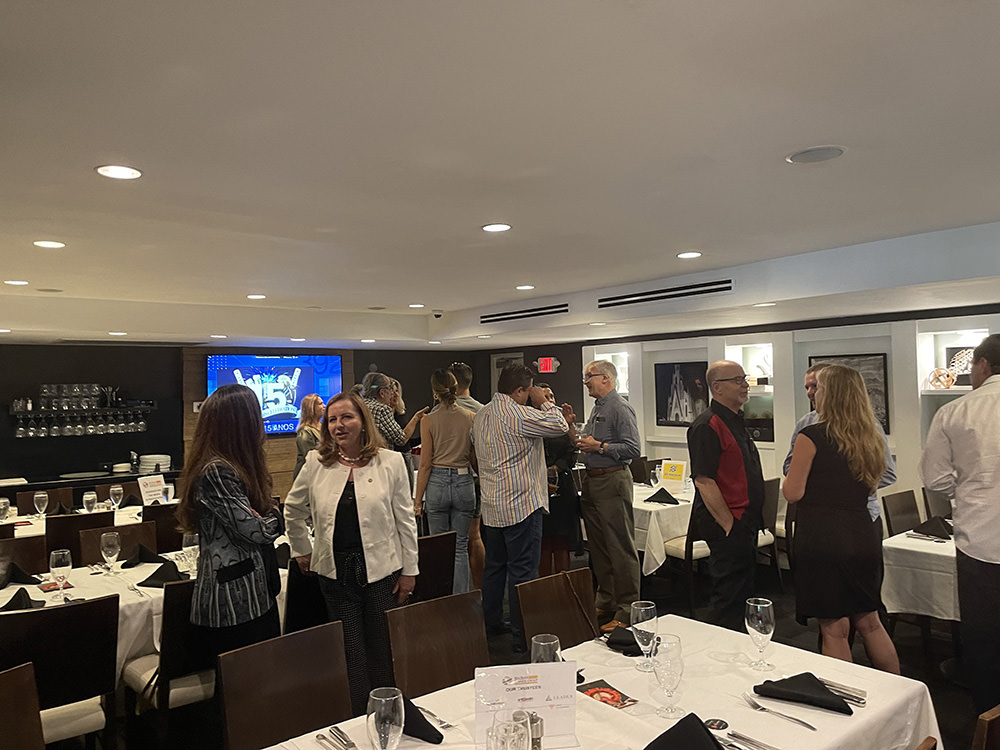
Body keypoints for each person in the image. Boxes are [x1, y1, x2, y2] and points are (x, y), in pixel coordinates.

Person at [284, 391, 419, 715]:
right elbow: (293, 509)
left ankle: (389, 715)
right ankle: (359, 718)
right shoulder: (316, 462)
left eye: (347, 417)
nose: (338, 425)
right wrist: (302, 550)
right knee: (351, 653)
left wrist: (410, 570)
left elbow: (405, 519)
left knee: (382, 649)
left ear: (363, 422)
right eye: (332, 419)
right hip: (335, 574)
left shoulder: (391, 462)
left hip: (383, 573)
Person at [782, 365, 900, 672]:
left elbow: (792, 492)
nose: (814, 394)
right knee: (870, 622)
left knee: (834, 628)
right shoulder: (869, 436)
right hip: (862, 532)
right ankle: (900, 691)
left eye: (818, 388)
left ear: (830, 393)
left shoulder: (811, 435)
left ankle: (845, 693)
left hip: (822, 536)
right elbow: (875, 482)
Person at [920, 333, 1000, 712]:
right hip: (979, 539)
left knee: (984, 642)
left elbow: (934, 479)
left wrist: (966, 492)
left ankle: (989, 724)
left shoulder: (955, 411)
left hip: (980, 542)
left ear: (982, 365)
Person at [177, 384, 284, 658]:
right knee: (242, 676)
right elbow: (256, 530)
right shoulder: (217, 471)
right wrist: (276, 516)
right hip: (232, 599)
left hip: (253, 591)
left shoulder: (235, 466)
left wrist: (265, 515)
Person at [472, 364, 568, 651]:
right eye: (528, 391)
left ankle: (490, 625)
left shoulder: (482, 415)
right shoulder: (518, 414)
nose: (530, 396)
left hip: (493, 506)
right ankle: (521, 636)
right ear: (519, 390)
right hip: (521, 506)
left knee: (494, 568)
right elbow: (560, 426)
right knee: (523, 573)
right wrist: (544, 401)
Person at [686, 360, 765, 632]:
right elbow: (704, 480)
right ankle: (720, 648)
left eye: (745, 378)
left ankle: (740, 645)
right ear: (717, 388)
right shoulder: (707, 425)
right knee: (728, 598)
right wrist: (729, 524)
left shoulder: (735, 420)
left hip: (745, 520)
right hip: (730, 522)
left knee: (742, 592)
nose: (745, 385)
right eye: (737, 380)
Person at [562, 361, 640, 632]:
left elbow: (633, 448)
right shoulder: (598, 408)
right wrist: (571, 429)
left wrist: (601, 446)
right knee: (599, 547)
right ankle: (606, 600)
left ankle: (628, 609)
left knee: (620, 546)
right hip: (593, 481)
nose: (585, 381)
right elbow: (585, 445)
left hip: (612, 480)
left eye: (589, 376)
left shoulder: (619, 407)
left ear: (606, 378)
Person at [414, 369, 477, 593]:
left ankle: (440, 601)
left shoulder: (428, 420)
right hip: (464, 480)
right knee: (460, 547)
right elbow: (473, 457)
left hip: (437, 483)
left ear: (435, 391)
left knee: (438, 548)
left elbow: (425, 464)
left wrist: (417, 500)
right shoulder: (470, 417)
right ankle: (461, 601)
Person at [448, 361, 486, 590]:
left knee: (451, 540)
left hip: (446, 477)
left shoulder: (440, 412)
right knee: (474, 536)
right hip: (475, 478)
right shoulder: (483, 411)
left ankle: (455, 592)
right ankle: (479, 590)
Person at [536, 383, 580, 576]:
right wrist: (543, 473)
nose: (550, 401)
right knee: (544, 541)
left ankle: (564, 585)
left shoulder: (561, 423)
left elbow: (573, 451)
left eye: (552, 396)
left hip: (563, 485)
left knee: (563, 540)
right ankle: (545, 585)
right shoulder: (532, 422)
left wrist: (556, 468)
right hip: (538, 486)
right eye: (545, 397)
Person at [361, 371, 428, 449]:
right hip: (379, 455)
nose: (392, 393)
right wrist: (416, 418)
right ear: (382, 393)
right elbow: (401, 439)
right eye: (390, 388)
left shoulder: (359, 406)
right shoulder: (382, 409)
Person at [293, 393, 324, 481]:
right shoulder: (305, 431)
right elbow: (310, 457)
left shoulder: (324, 427)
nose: (324, 406)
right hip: (308, 476)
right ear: (312, 408)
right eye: (320, 404)